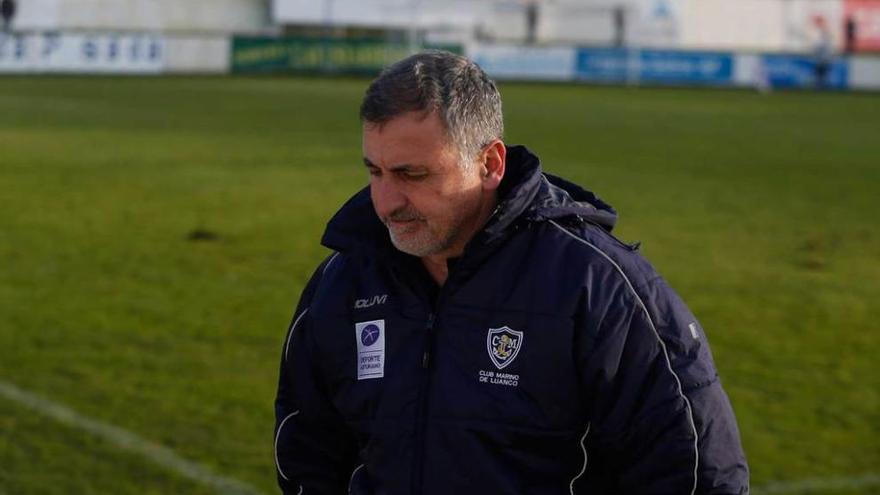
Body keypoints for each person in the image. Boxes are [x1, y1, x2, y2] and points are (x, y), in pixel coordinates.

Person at [274, 50, 749, 494]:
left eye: (412, 175)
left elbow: (693, 471)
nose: (386, 203)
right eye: (374, 172)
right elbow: (307, 449)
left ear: (489, 164)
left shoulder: (597, 287)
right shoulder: (343, 280)